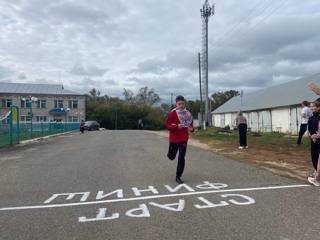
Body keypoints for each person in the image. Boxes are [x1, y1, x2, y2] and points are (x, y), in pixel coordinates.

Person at [165, 95, 194, 184]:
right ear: (176, 104)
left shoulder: (187, 114)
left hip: (183, 139)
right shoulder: (172, 113)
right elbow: (167, 125)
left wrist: (191, 129)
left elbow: (191, 125)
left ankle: (178, 176)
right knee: (171, 157)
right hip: (174, 139)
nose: (181, 105)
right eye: (179, 104)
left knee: (181, 157)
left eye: (182, 104)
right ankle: (170, 154)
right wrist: (176, 126)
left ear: (184, 104)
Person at [307, 101, 320, 186]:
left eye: (314, 106)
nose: (312, 108)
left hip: (319, 139)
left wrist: (317, 136)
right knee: (314, 157)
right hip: (313, 140)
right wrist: (311, 136)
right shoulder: (311, 118)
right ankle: (316, 172)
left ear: (318, 107)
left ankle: (318, 177)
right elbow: (309, 129)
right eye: (311, 107)